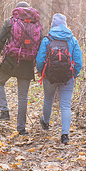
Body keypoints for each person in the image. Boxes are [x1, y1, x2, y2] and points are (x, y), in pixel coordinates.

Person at [0, 1, 42, 136]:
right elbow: (40, 46)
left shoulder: (10, 22)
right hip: (27, 63)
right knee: (22, 97)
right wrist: (39, 66)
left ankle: (4, 111)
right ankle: (21, 128)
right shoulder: (36, 24)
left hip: (10, 61)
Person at [36, 13, 82, 144]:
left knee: (48, 99)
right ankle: (65, 135)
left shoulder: (47, 39)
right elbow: (78, 62)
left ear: (53, 25)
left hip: (49, 76)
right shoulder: (72, 40)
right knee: (66, 106)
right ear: (65, 24)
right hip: (68, 78)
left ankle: (45, 122)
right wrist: (74, 74)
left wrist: (41, 72)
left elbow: (40, 60)